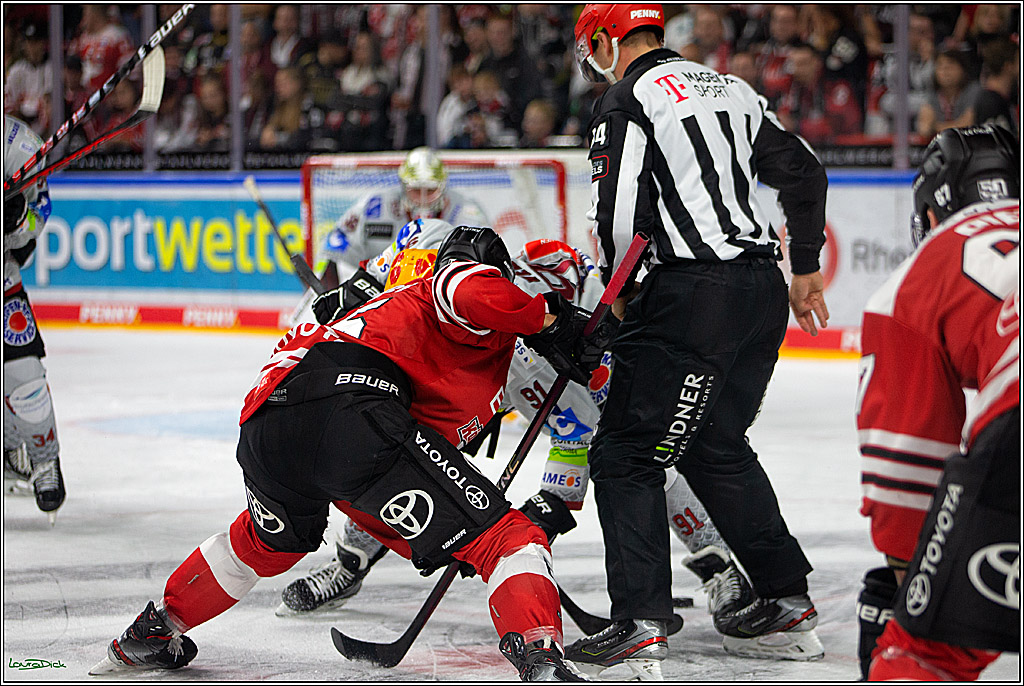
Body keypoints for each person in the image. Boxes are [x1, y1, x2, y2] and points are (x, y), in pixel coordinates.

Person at [91, 226, 603, 681]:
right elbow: (464, 285)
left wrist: (448, 533)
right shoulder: (445, 286)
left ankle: (155, 630)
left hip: (269, 425)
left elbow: (412, 452)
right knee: (507, 539)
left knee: (271, 543)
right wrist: (549, 320)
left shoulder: (391, 313)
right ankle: (542, 661)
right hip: (351, 407)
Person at [280, 223, 756, 631]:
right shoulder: (427, 247)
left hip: (557, 365)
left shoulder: (529, 350)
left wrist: (551, 506)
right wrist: (353, 292)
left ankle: (717, 566)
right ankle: (349, 562)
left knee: (638, 457)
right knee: (396, 459)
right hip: (440, 368)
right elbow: (389, 261)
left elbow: (576, 434)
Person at [566, 4, 830, 679]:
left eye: (591, 48)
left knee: (626, 452)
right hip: (760, 292)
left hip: (692, 293)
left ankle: (640, 622)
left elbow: (618, 215)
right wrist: (804, 267)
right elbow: (803, 172)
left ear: (606, 40)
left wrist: (615, 293)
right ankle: (785, 600)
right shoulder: (731, 88)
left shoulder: (626, 99)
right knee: (714, 443)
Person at [855, 124, 1019, 681]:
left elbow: (905, 471)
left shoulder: (922, 272)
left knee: (923, 654)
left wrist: (919, 593)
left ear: (929, 213)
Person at [3, 115, 65, 524]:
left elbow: (39, 213)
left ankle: (44, 460)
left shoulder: (16, 144)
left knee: (25, 378)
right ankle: (9, 451)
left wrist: (16, 218)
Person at [318, 147, 488, 278]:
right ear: (403, 186)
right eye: (416, 190)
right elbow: (335, 249)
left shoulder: (467, 212)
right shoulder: (374, 207)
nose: (422, 199)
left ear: (442, 187)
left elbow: (487, 262)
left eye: (430, 191)